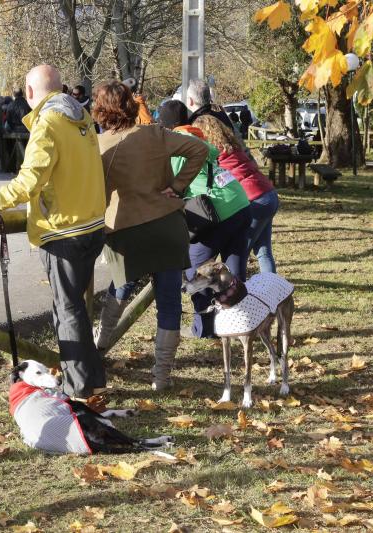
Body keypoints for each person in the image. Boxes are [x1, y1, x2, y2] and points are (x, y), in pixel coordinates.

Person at [0, 64, 107, 399]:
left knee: (68, 311)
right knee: (75, 308)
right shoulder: (82, 118)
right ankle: (92, 378)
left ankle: (78, 388)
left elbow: (31, 178)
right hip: (92, 224)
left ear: (30, 93)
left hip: (64, 231)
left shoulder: (48, 122)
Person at [92, 81, 208, 390]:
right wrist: (178, 186)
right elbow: (200, 148)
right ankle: (161, 377)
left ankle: (97, 350)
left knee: (119, 290)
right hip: (167, 225)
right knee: (169, 302)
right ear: (131, 106)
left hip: (124, 230)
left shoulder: (97, 145)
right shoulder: (155, 134)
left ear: (100, 110)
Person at [157, 100, 251, 339]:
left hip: (215, 209)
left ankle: (204, 330)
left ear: (166, 126)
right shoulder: (200, 139)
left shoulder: (177, 146)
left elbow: (168, 185)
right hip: (239, 200)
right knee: (234, 271)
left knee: (195, 271)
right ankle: (241, 323)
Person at [194, 114, 279, 274]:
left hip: (254, 201)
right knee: (263, 251)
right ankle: (271, 289)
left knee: (237, 254)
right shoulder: (233, 147)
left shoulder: (213, 153)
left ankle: (236, 292)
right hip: (269, 194)